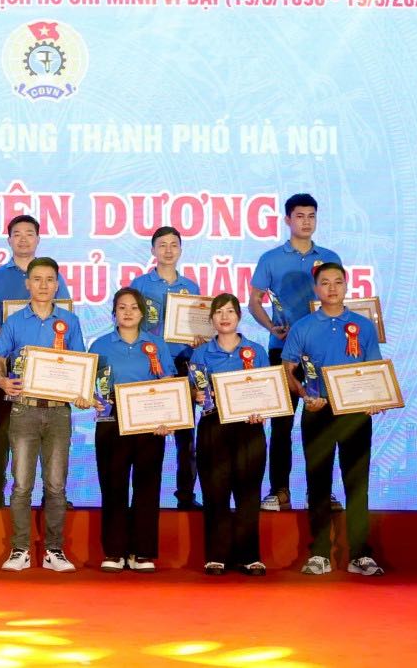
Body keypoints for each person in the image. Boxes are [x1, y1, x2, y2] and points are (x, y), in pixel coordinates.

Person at [282, 262, 385, 577]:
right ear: (316, 288)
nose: (331, 288)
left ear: (347, 285)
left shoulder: (363, 326)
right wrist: (303, 395)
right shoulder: (303, 327)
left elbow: (373, 370)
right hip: (318, 410)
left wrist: (375, 400)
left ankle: (360, 554)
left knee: (357, 484)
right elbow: (287, 371)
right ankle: (319, 554)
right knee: (318, 483)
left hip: (354, 413)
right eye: (325, 283)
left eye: (338, 282)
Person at [0, 257, 87, 573]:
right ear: (27, 284)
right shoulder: (15, 322)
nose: (44, 285)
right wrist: (2, 380)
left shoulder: (69, 322)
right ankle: (20, 549)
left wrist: (83, 389)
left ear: (57, 284)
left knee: (56, 485)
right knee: (21, 484)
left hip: (59, 412)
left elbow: (80, 365)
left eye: (49, 279)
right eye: (37, 279)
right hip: (24, 411)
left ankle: (54, 551)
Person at [248, 193, 342, 512]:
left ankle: (322, 491)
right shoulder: (271, 258)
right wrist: (271, 328)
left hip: (323, 355)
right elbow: (254, 301)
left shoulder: (329, 257)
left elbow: (337, 300)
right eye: (299, 215)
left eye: (311, 216)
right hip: (282, 351)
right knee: (282, 424)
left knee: (322, 425)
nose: (306, 221)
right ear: (287, 219)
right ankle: (279, 490)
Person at [0, 214, 72, 509]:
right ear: (9, 240)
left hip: (49, 376)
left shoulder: (52, 276)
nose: (23, 239)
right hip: (10, 372)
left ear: (38, 239)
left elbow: (65, 319)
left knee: (51, 436)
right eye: (16, 234)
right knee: (1, 432)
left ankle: (53, 495)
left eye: (29, 234)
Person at [88, 287, 176, 573]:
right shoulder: (100, 345)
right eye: (122, 307)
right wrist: (92, 399)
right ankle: (114, 551)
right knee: (112, 487)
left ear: (143, 313)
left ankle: (142, 552)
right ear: (113, 313)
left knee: (147, 488)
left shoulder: (156, 344)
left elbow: (168, 385)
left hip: (150, 425)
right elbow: (89, 384)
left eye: (134, 308)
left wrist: (167, 418)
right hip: (111, 422)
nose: (127, 312)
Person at [188, 293, 268, 576]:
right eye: (219, 312)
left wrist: (264, 408)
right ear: (211, 319)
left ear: (238, 316)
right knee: (215, 492)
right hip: (214, 427)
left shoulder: (256, 351)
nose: (225, 317)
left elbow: (266, 390)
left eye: (230, 311)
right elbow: (194, 390)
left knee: (249, 492)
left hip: (249, 428)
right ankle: (217, 555)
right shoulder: (200, 354)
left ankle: (249, 556)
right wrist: (196, 394)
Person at [130, 226, 204, 510]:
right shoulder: (140, 285)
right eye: (162, 245)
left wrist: (199, 336)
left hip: (184, 363)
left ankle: (185, 495)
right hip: (151, 367)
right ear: (153, 251)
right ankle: (145, 497)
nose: (169, 250)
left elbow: (199, 326)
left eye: (174, 245)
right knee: (149, 436)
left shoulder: (191, 287)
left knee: (186, 437)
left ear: (181, 250)